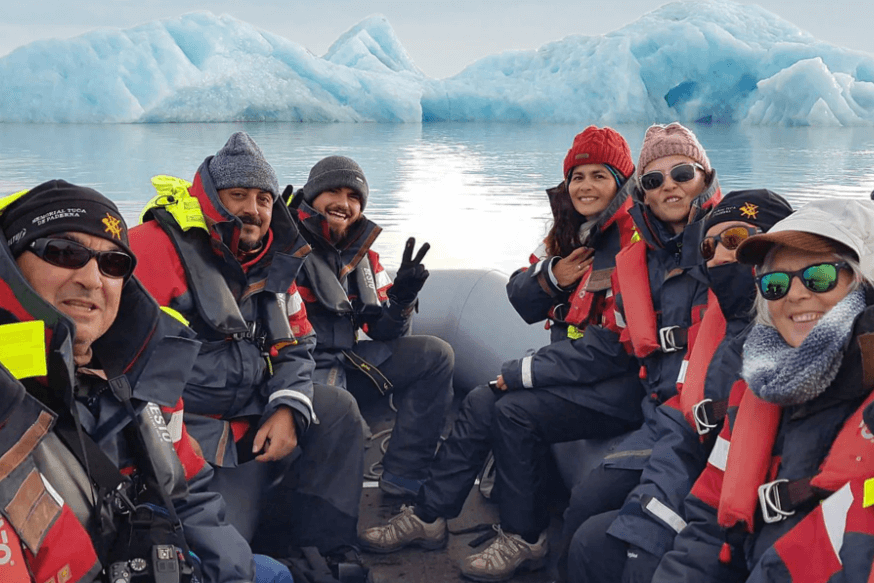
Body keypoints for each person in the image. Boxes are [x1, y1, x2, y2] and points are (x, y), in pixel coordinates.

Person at [358, 126, 644, 582]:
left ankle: (525, 537)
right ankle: (429, 515)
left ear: (622, 181)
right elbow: (519, 293)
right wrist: (554, 276)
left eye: (599, 176)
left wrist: (524, 371)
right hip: (576, 371)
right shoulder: (571, 230)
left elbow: (612, 348)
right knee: (479, 400)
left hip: (618, 385)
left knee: (513, 411)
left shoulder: (633, 242)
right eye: (577, 176)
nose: (585, 186)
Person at [0, 179, 292, 582]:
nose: (92, 279)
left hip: (154, 558)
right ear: (11, 266)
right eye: (64, 252)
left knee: (272, 573)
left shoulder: (142, 370)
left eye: (113, 263)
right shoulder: (8, 403)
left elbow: (190, 493)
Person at [129, 133, 365, 569]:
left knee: (337, 409)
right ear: (210, 198)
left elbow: (298, 343)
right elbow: (129, 368)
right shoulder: (153, 250)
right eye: (238, 195)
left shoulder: (275, 259)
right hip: (193, 433)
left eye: (263, 199)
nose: (253, 209)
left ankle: (327, 552)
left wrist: (287, 405)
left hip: (252, 414)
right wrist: (171, 445)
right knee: (224, 554)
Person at [568, 189, 793, 583]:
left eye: (736, 240)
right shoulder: (721, 328)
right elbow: (687, 425)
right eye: (709, 246)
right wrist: (650, 524)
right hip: (704, 479)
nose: (719, 256)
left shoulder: (796, 335)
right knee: (590, 537)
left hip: (765, 520)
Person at [652, 198, 874, 582]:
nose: (795, 294)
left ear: (862, 282)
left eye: (819, 275)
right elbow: (707, 521)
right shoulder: (756, 389)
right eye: (775, 284)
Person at [557, 121, 722, 575]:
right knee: (584, 503)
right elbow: (617, 343)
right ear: (642, 194)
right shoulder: (642, 260)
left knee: (600, 535)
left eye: (682, 173)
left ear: (705, 177)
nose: (669, 185)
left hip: (700, 422)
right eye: (653, 179)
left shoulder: (729, 249)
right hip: (660, 413)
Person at [286, 155, 454, 498]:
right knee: (351, 430)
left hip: (348, 361)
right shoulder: (283, 244)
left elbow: (384, 332)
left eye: (354, 197)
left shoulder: (364, 255)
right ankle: (313, 514)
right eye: (333, 192)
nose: (344, 203)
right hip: (299, 370)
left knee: (436, 355)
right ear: (313, 195)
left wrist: (402, 300)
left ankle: (404, 476)